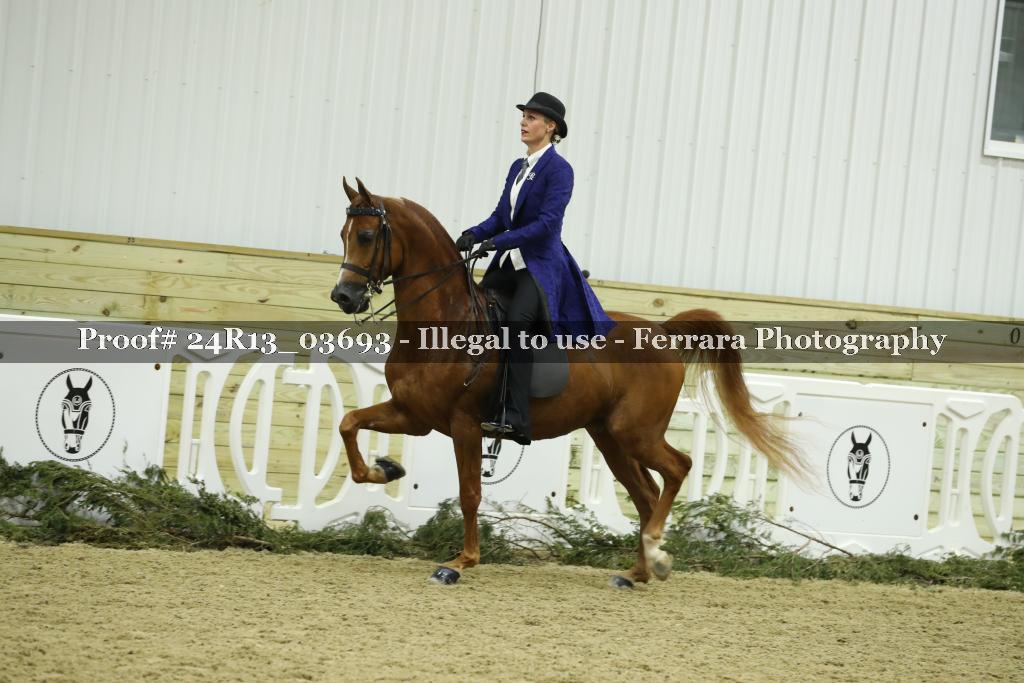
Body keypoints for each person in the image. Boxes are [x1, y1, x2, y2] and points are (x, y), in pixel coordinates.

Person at [456, 92, 615, 444]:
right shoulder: (518, 167)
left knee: (517, 323)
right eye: (523, 116)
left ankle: (516, 415)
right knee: (475, 310)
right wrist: (474, 234)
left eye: (531, 117)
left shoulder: (560, 170)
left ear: (550, 126)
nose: (523, 123)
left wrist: (499, 242)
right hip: (510, 263)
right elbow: (501, 217)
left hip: (540, 266)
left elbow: (546, 224)